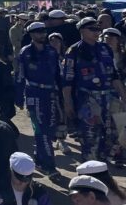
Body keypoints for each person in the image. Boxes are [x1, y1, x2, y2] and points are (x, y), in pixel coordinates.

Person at [62, 17, 126, 161]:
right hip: (87, 99)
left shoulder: (105, 48)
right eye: (92, 29)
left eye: (98, 28)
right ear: (82, 30)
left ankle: (104, 167)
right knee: (91, 137)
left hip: (108, 97)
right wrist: (68, 102)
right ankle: (90, 170)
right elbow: (67, 80)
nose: (96, 32)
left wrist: (124, 96)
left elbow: (115, 76)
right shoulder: (74, 51)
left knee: (111, 135)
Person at [14, 22, 62, 175]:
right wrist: (19, 98)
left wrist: (63, 95)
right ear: (31, 35)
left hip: (51, 95)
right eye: (37, 32)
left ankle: (40, 159)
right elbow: (20, 75)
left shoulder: (51, 51)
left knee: (50, 129)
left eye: (43, 31)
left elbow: (58, 75)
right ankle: (49, 165)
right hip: (34, 96)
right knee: (41, 130)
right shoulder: (25, 52)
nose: (41, 34)